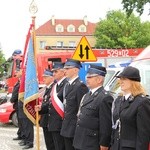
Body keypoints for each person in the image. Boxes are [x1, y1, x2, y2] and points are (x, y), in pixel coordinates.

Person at [73, 64, 113, 150]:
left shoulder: (105, 97)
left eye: (90, 77)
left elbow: (105, 124)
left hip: (92, 143)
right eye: (87, 76)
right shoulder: (87, 95)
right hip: (81, 140)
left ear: (99, 79)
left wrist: (104, 143)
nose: (87, 79)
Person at [110, 66, 150, 150]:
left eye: (124, 79)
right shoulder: (118, 100)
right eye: (120, 79)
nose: (121, 82)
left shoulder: (142, 102)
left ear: (133, 82)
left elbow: (143, 134)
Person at [60, 58, 89, 150]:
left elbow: (81, 109)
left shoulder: (80, 86)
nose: (65, 71)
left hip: (74, 128)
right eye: (65, 68)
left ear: (76, 70)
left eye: (68, 69)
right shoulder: (68, 85)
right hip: (66, 126)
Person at [48, 62, 68, 150]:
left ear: (63, 72)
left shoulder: (66, 84)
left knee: (61, 147)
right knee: (56, 146)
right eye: (53, 72)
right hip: (54, 122)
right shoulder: (56, 85)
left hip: (60, 122)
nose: (53, 74)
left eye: (56, 71)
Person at [35, 69, 55, 150]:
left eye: (46, 77)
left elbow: (51, 103)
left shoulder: (54, 88)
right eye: (43, 77)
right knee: (48, 143)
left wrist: (41, 108)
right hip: (45, 119)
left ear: (51, 78)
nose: (44, 79)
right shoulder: (47, 88)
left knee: (52, 143)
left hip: (50, 120)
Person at [10, 69, 25, 141]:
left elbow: (17, 94)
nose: (15, 72)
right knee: (20, 121)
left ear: (22, 72)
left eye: (17, 71)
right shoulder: (18, 81)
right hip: (17, 104)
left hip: (20, 103)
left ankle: (23, 136)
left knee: (22, 122)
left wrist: (12, 100)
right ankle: (20, 135)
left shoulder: (22, 82)